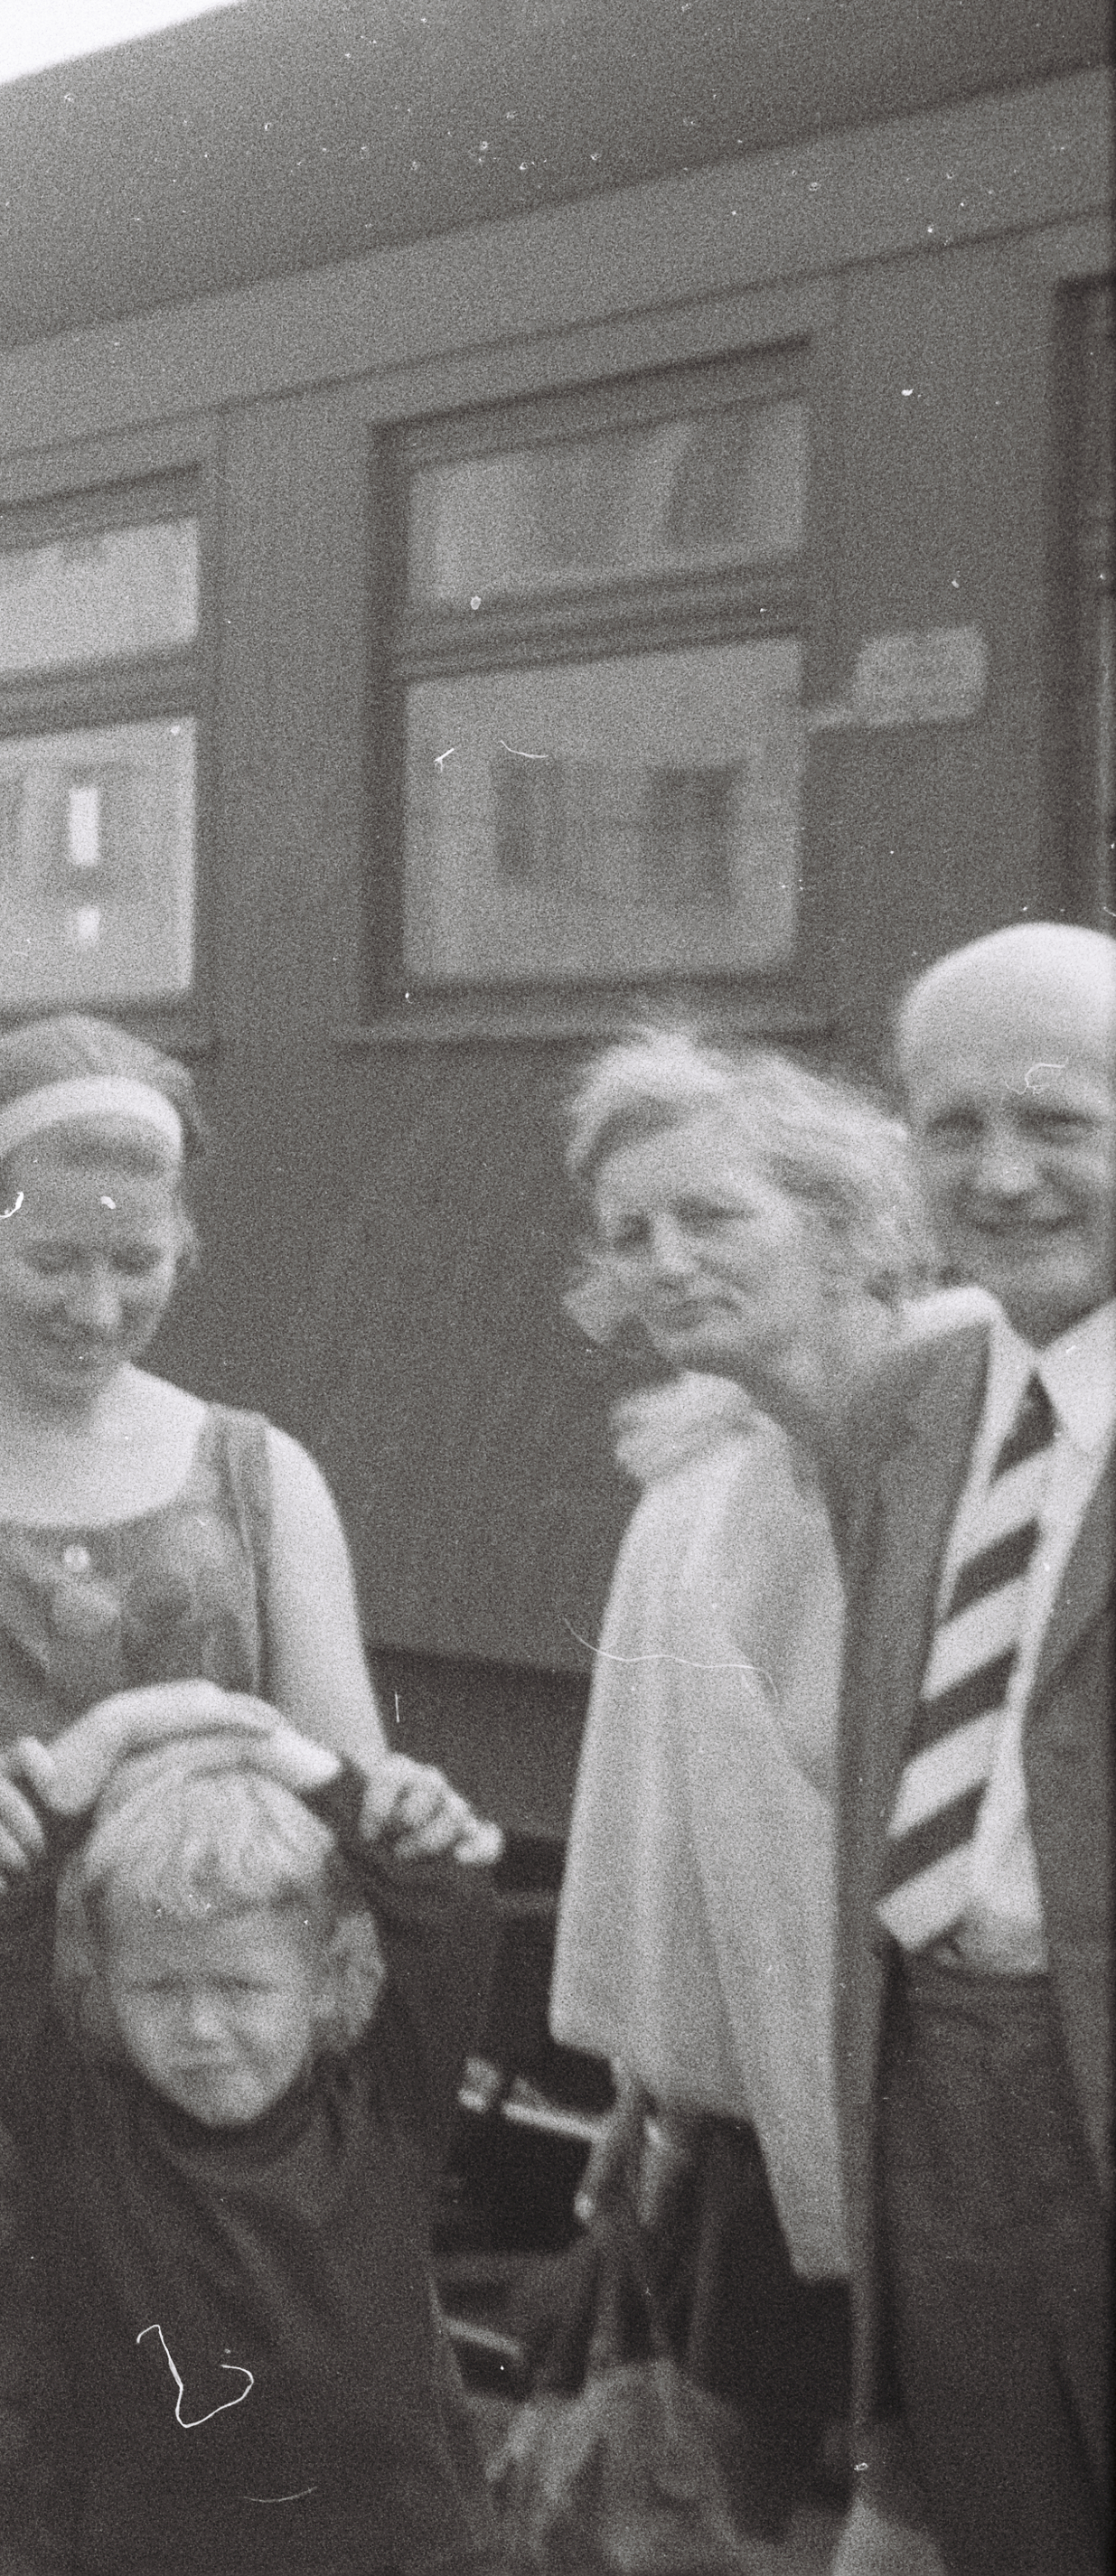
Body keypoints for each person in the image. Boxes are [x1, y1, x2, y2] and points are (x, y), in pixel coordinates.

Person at [0, 1014, 389, 2574]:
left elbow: (352, 1789)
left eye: (138, 1262)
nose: (96, 1302)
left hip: (216, 2086)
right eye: (51, 1259)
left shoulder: (262, 1470)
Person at [546, 1027, 966, 2561]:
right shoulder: (696, 1496)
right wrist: (638, 2090)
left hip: (980, 2146)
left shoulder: (997, 1433)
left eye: (707, 1214)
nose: (660, 1258)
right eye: (626, 1231)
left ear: (846, 1215)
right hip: (757, 2135)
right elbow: (678, 1843)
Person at [0, 1681, 502, 2574]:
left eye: (240, 1988)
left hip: (396, 2554)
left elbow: (449, 1909)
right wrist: (111, 1737)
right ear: (103, 1979)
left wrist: (284, 1755)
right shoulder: (81, 2128)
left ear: (321, 1980)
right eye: (156, 1989)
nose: (198, 2030)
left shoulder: (387, 2111)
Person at [828, 920, 1112, 2576]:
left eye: (1057, 1120)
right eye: (952, 1126)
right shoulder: (910, 1409)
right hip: (936, 2069)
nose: (998, 1174)